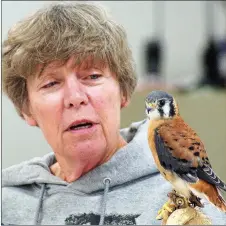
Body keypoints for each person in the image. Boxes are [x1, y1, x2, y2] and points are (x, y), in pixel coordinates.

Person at [2, 2, 226, 225]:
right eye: (51, 83)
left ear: (124, 92)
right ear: (26, 109)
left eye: (92, 76)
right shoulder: (8, 201)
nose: (75, 97)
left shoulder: (187, 197)